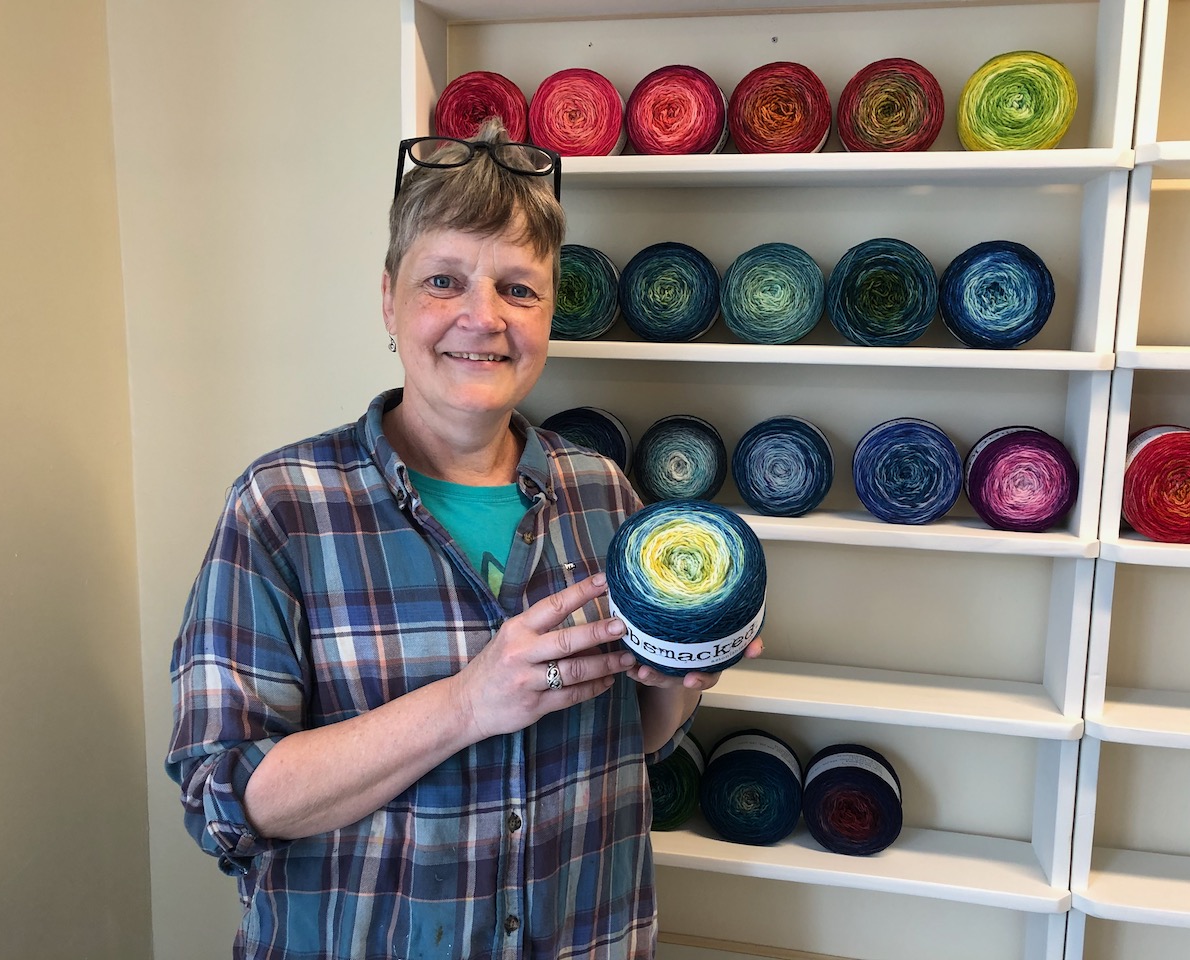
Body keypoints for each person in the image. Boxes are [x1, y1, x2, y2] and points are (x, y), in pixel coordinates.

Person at [166, 117, 762, 960]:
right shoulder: (282, 508)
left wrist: (685, 673)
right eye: (444, 280)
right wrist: (465, 705)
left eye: (519, 289)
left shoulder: (602, 494)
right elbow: (223, 797)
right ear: (389, 300)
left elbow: (639, 733)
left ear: (550, 310)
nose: (483, 319)